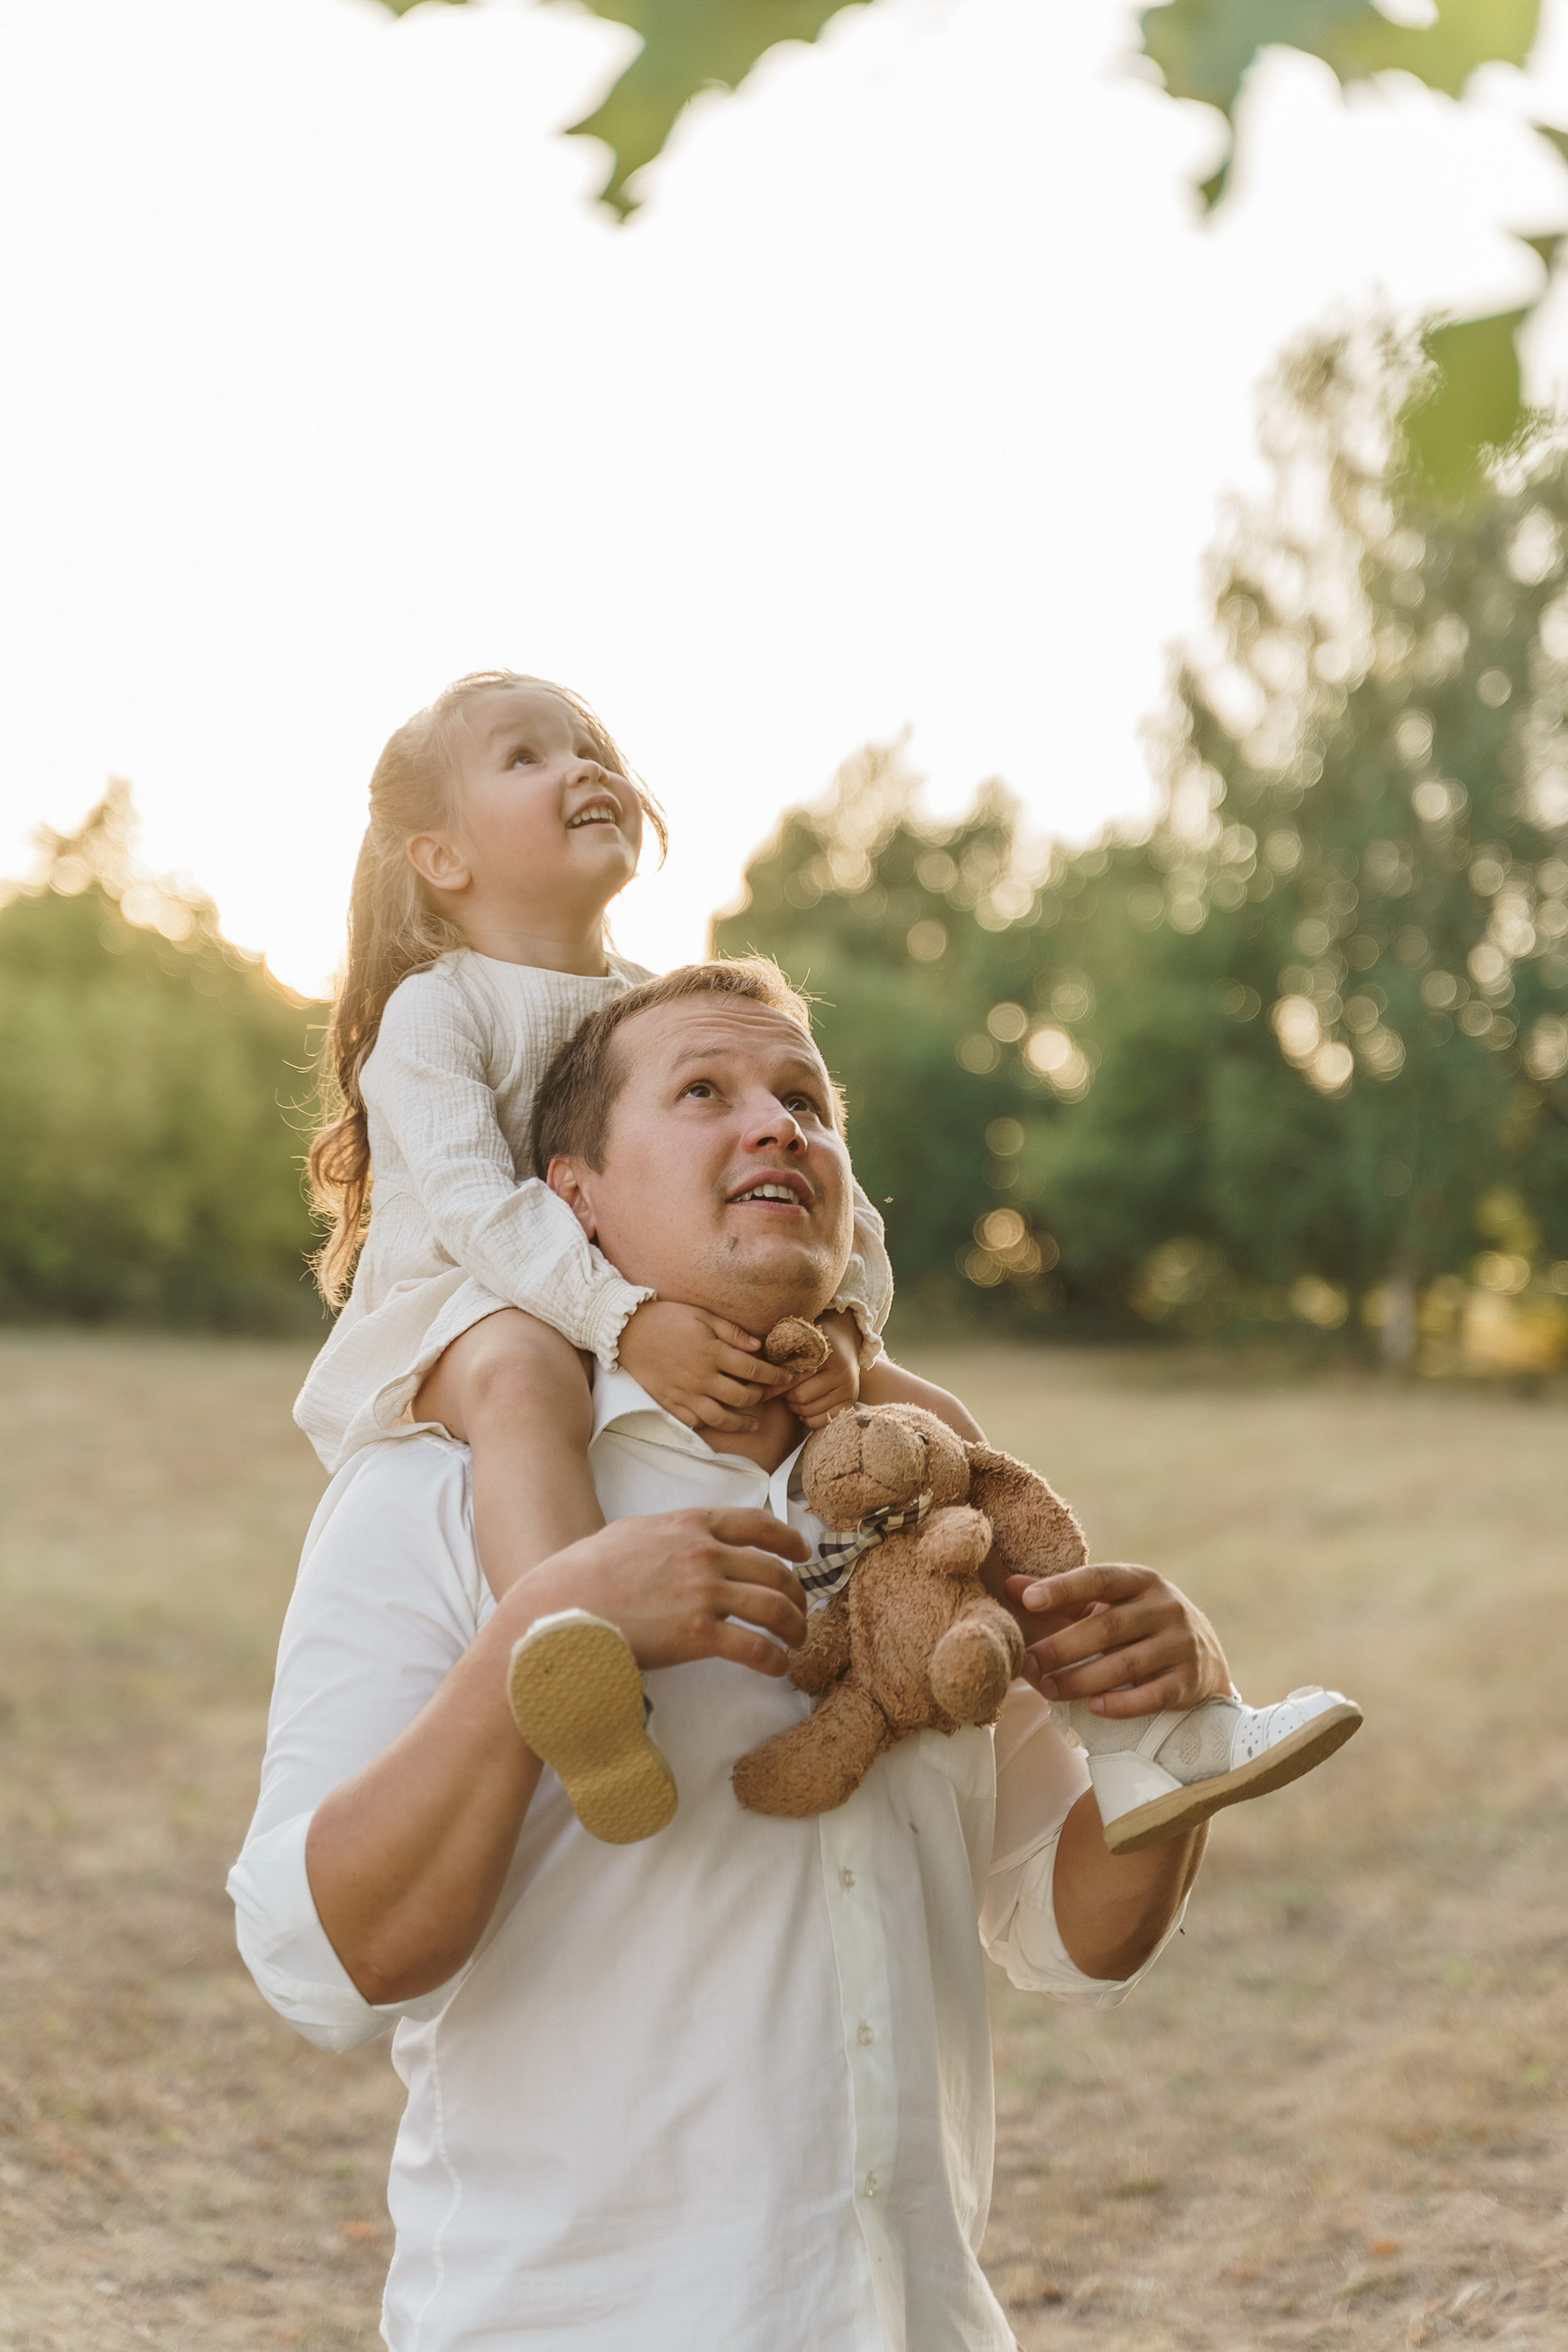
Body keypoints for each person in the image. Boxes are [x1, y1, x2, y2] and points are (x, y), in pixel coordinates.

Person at [230, 959, 1356, 2351]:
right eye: (704, 1092)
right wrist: (546, 1622)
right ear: (569, 1194)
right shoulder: (435, 1494)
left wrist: (1169, 1724)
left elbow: (1068, 1935)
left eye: (805, 1102)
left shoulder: (933, 1510)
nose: (776, 1127)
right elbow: (318, 1968)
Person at [296, 671, 904, 1840]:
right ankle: (576, 1667)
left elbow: (848, 1208)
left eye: (590, 748)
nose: (584, 769)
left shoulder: (661, 1006)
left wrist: (841, 1327)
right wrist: (622, 1320)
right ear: (443, 857)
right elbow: (476, 1207)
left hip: (612, 1298)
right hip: (458, 1310)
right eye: (525, 758)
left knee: (904, 1403)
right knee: (527, 1373)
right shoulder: (440, 1012)